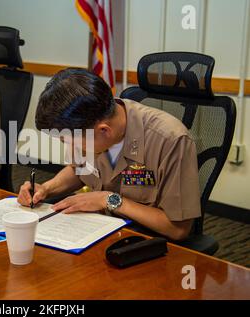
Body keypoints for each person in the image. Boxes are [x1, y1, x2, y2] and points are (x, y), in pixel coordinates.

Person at [18, 68, 201, 241]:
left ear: (104, 131)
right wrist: (46, 189)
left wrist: (108, 200)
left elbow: (178, 229)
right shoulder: (87, 122)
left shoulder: (170, 140)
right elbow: (79, 170)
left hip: (143, 241)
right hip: (94, 229)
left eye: (67, 140)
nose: (66, 144)